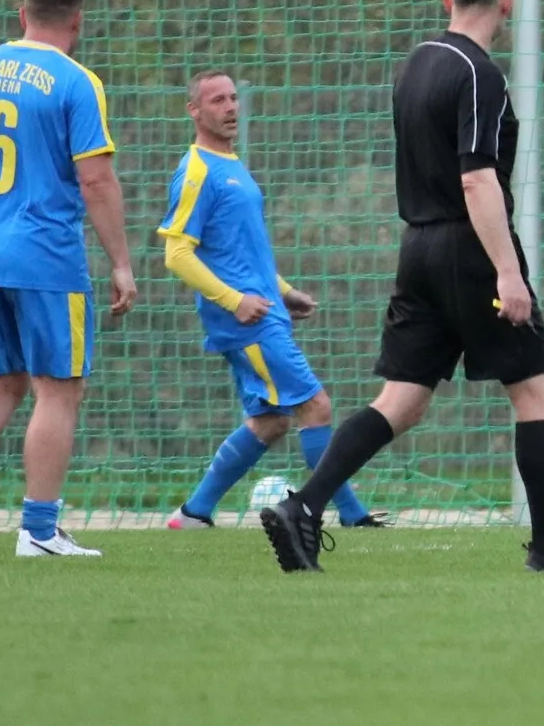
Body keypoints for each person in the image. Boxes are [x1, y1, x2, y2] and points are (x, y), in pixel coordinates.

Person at [259, 0, 544, 573]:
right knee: (536, 391)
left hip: (418, 249)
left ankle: (303, 507)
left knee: (402, 400)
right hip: (470, 249)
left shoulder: (415, 65)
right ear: (506, 4)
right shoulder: (479, 74)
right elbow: (476, 179)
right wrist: (507, 271)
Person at [0, 0, 138, 558]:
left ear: (22, 14)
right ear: (77, 21)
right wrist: (121, 263)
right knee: (59, 388)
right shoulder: (76, 81)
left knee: (2, 380)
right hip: (45, 255)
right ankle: (39, 532)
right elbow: (95, 179)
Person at [160, 70, 383, 530]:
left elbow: (241, 251)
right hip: (246, 321)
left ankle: (193, 514)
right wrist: (234, 301)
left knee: (271, 422)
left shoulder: (232, 165)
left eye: (233, 98)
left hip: (263, 312)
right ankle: (351, 515)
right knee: (315, 406)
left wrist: (284, 292)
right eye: (217, 100)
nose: (230, 107)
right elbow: (177, 254)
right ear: (194, 111)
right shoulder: (197, 170)